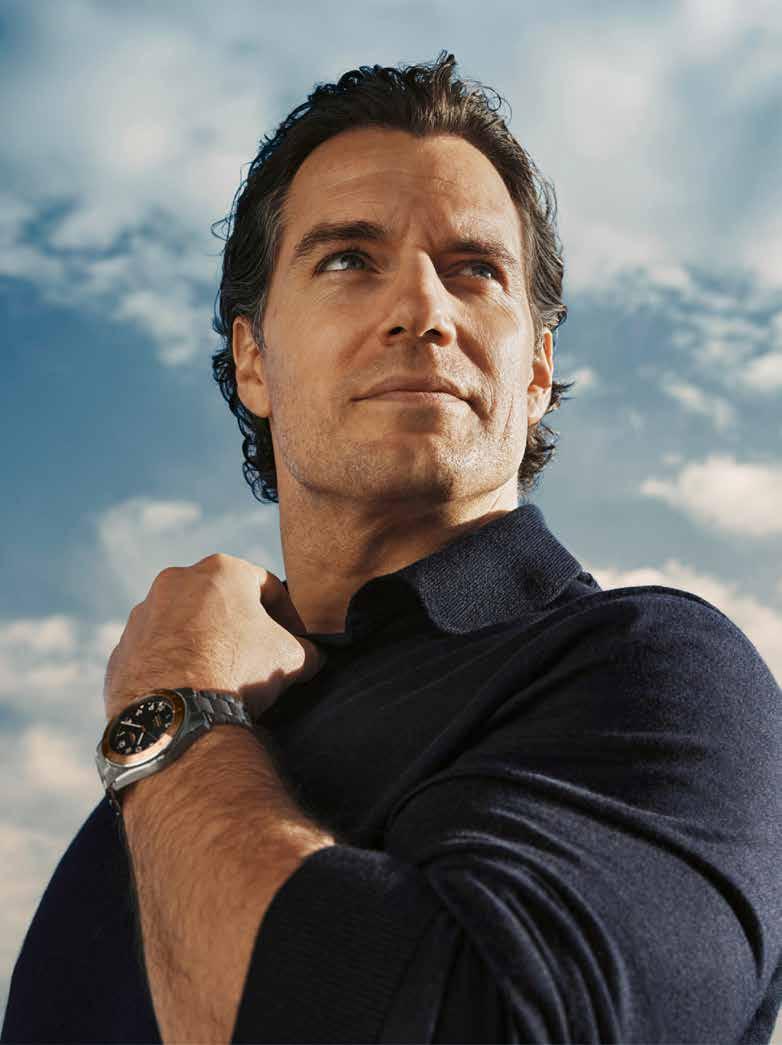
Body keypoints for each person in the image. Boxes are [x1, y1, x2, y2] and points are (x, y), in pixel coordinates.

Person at [3, 51, 781, 1044]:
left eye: (474, 269)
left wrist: (173, 704)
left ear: (536, 370)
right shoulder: (160, 787)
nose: (422, 310)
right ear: (252, 358)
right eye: (346, 259)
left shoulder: (662, 675)